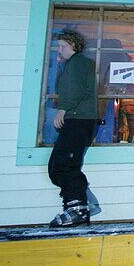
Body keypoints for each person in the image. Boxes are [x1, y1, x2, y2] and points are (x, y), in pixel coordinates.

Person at [48, 29, 99, 227]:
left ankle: (77, 208)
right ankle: (83, 205)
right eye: (58, 46)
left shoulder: (77, 62)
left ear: (74, 46)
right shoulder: (77, 63)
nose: (60, 50)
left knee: (63, 165)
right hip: (80, 120)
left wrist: (62, 110)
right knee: (63, 165)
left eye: (63, 46)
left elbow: (73, 89)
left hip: (78, 119)